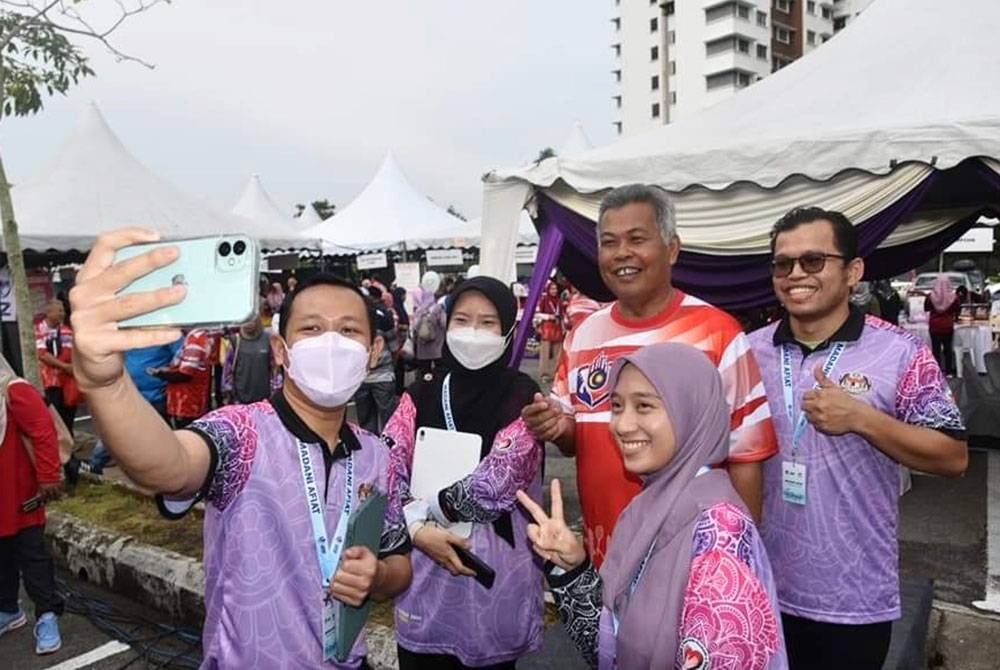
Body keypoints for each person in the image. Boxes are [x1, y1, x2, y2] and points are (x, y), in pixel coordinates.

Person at [69, 229, 412, 668]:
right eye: (311, 329)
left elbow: (399, 562)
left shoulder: (377, 455)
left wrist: (378, 574)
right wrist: (105, 383)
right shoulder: (240, 432)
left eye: (348, 331)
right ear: (281, 350)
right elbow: (169, 467)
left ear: (373, 350)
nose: (331, 343)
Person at [748, 207, 967, 669]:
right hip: (759, 585)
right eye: (782, 264)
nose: (795, 275)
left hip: (852, 600)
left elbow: (952, 456)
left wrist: (864, 419)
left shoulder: (900, 351)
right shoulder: (750, 351)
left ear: (853, 272)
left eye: (812, 261)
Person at [521, 183, 778, 565]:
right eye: (609, 242)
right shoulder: (584, 334)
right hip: (603, 559)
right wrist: (558, 427)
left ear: (672, 249)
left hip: (690, 561)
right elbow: (577, 439)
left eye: (637, 238)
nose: (622, 253)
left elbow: (747, 456)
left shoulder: (718, 333)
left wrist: (738, 559)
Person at [518, 343, 786, 669]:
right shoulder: (651, 507)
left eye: (644, 406)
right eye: (616, 406)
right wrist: (572, 568)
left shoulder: (719, 535)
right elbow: (613, 646)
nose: (622, 424)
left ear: (692, 410)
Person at [385, 276, 544, 669]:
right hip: (425, 562)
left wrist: (420, 514)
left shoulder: (523, 395)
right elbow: (387, 464)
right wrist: (416, 530)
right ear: (446, 323)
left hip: (490, 567)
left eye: (488, 323)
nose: (473, 332)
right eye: (462, 319)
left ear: (508, 329)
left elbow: (498, 481)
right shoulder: (420, 391)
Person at [0, 353, 64, 655]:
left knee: (33, 557)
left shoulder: (14, 391)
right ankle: (9, 611)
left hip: (20, 494)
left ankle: (47, 616)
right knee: (2, 559)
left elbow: (43, 432)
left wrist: (49, 476)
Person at [353, 288, 399, 435]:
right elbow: (394, 346)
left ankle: (370, 454)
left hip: (360, 377)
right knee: (389, 421)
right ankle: (389, 454)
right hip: (384, 376)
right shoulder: (384, 316)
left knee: (366, 422)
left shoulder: (351, 320)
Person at [150, 328, 213, 429]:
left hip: (187, 403)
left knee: (187, 434)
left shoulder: (195, 340)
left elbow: (185, 375)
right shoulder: (195, 337)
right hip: (188, 401)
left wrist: (159, 374)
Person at [34, 300, 78, 435]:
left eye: (63, 311)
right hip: (49, 384)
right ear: (48, 313)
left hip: (68, 383)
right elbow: (42, 354)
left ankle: (70, 453)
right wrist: (64, 366)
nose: (62, 314)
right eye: (59, 311)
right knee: (53, 420)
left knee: (68, 419)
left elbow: (76, 352)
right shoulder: (37, 330)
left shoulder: (67, 331)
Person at [221, 317, 275, 405]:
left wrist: (275, 390)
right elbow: (228, 368)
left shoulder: (268, 339)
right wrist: (227, 390)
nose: (248, 324)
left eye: (251, 321)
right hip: (240, 398)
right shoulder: (236, 340)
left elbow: (274, 367)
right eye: (245, 321)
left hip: (264, 398)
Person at [924, 275, 961, 376]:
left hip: (934, 326)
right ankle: (948, 371)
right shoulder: (954, 297)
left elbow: (926, 308)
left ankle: (937, 371)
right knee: (947, 349)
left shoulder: (930, 297)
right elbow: (957, 310)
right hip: (947, 326)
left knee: (936, 350)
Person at [412, 272, 446, 376]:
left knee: (424, 373)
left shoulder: (418, 310)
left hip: (422, 349)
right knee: (439, 373)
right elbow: (444, 324)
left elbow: (414, 327)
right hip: (437, 348)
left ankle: (425, 390)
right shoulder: (438, 308)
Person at [534, 280, 566, 383]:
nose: (554, 291)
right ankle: (545, 374)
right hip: (547, 328)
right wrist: (549, 317)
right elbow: (537, 314)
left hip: (557, 328)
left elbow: (561, 315)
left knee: (558, 353)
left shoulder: (559, 301)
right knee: (545, 353)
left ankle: (554, 374)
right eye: (552, 289)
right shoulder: (544, 300)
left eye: (555, 289)